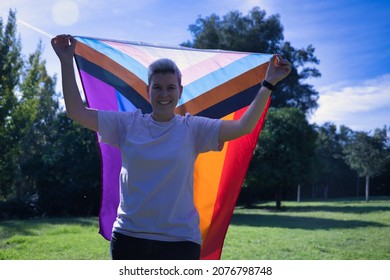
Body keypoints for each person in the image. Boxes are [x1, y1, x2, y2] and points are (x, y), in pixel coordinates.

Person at [51, 34, 291, 260]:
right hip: (129, 238)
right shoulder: (127, 124)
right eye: (157, 87)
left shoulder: (193, 128)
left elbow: (243, 127)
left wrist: (268, 83)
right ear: (147, 91)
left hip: (181, 242)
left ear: (180, 92)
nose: (163, 94)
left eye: (170, 88)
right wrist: (65, 60)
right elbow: (76, 111)